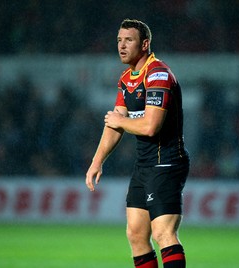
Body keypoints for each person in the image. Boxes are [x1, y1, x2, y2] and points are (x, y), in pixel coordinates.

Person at [85, 19, 190, 268]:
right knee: (135, 235)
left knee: (163, 233)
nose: (121, 46)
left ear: (145, 44)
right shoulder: (127, 79)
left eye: (128, 40)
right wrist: (96, 161)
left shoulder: (158, 74)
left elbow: (150, 126)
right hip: (144, 165)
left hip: (167, 162)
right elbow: (114, 123)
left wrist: (120, 120)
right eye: (119, 40)